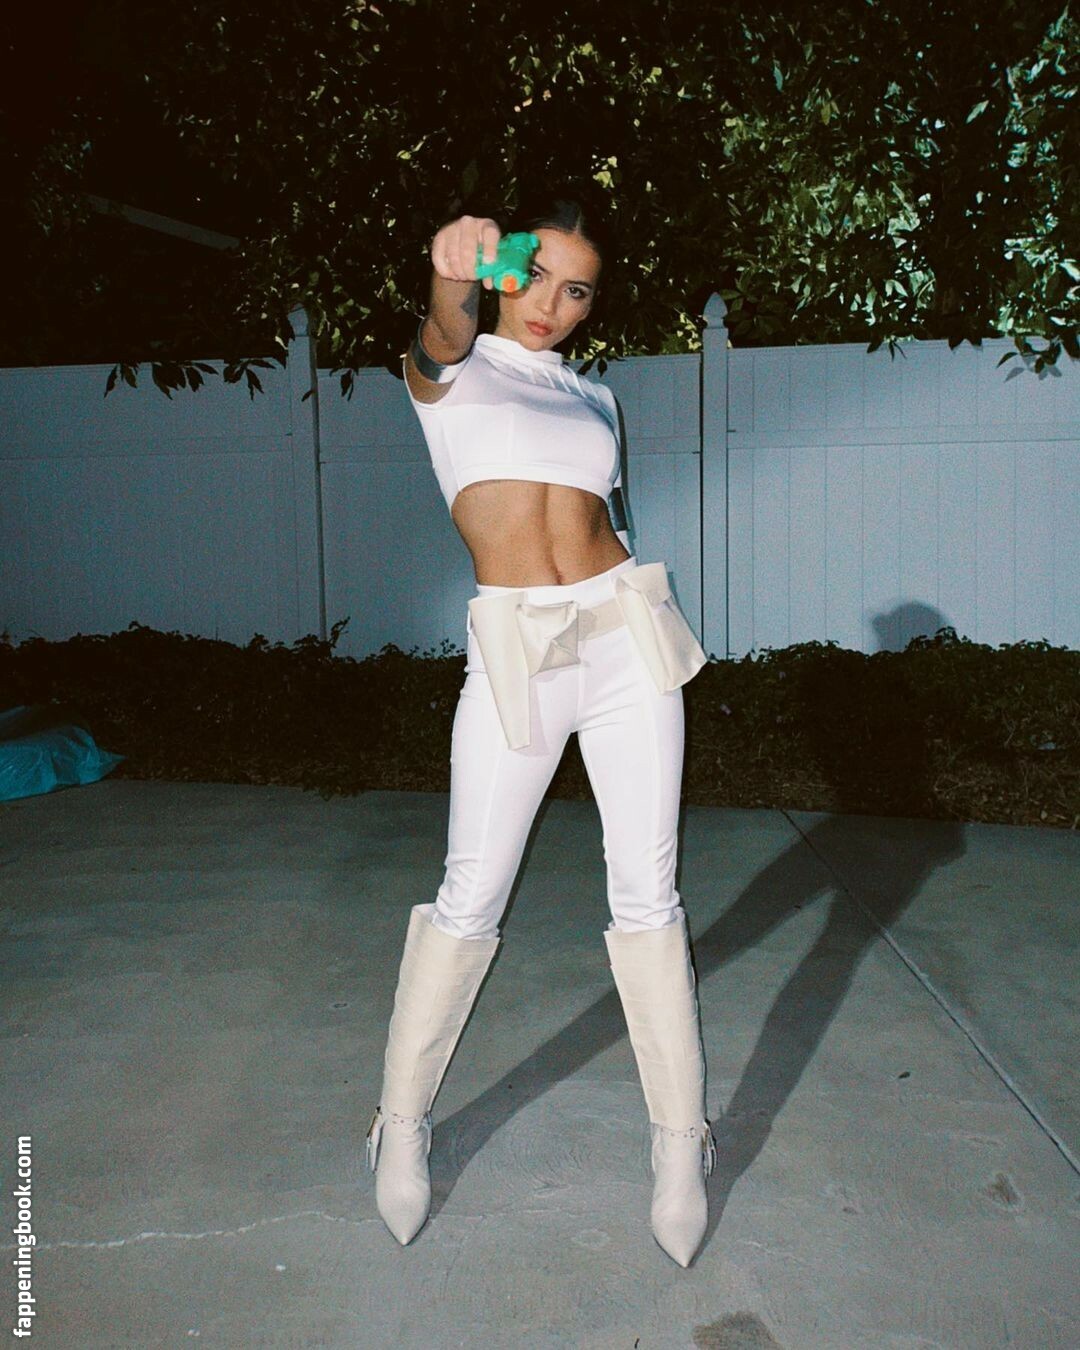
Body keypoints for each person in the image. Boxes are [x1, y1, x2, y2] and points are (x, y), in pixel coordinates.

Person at [365, 188, 714, 1267]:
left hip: (624, 637)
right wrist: (450, 278)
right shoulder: (453, 372)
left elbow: (611, 517)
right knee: (472, 890)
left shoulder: (597, 398)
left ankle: (679, 1141)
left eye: (578, 292)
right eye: (537, 276)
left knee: (648, 891)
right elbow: (440, 334)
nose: (552, 306)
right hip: (518, 647)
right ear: (503, 266)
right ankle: (401, 1121)